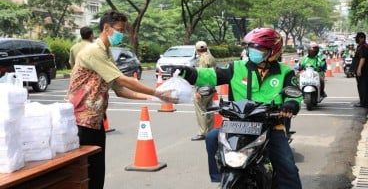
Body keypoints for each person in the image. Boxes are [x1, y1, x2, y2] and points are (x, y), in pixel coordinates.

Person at [173, 28, 303, 188]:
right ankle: (220, 177)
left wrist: (291, 104)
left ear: (273, 51)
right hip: (238, 123)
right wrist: (187, 72)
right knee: (212, 138)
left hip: (270, 125)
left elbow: (295, 94)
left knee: (287, 165)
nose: (253, 52)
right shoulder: (236, 67)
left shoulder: (285, 72)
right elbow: (210, 74)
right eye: (251, 48)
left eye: (260, 49)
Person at [65, 10, 178, 189]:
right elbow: (122, 80)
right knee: (86, 174)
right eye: (119, 30)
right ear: (106, 28)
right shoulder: (94, 51)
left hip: (94, 120)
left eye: (123, 30)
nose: (121, 34)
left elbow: (119, 89)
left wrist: (149, 98)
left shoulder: (107, 52)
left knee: (96, 171)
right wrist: (157, 92)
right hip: (81, 120)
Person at [191, 41, 217, 141]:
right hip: (211, 87)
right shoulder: (211, 58)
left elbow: (200, 75)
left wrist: (197, 90)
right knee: (209, 110)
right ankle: (210, 131)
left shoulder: (202, 60)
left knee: (201, 110)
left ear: (197, 50)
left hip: (203, 89)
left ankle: (202, 133)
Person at [352, 32, 368, 107]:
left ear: (362, 38)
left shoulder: (363, 47)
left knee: (363, 86)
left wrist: (359, 69)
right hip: (362, 70)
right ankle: (362, 101)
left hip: (363, 71)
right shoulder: (360, 46)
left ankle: (363, 103)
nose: (356, 39)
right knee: (361, 86)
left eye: (357, 38)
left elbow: (362, 58)